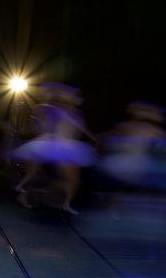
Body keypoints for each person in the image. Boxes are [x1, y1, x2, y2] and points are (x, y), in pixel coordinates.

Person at [9, 82, 99, 215]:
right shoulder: (48, 109)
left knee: (73, 179)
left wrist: (94, 139)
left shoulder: (75, 113)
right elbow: (43, 124)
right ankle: (24, 190)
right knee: (38, 174)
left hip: (67, 147)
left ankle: (65, 203)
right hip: (53, 144)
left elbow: (83, 129)